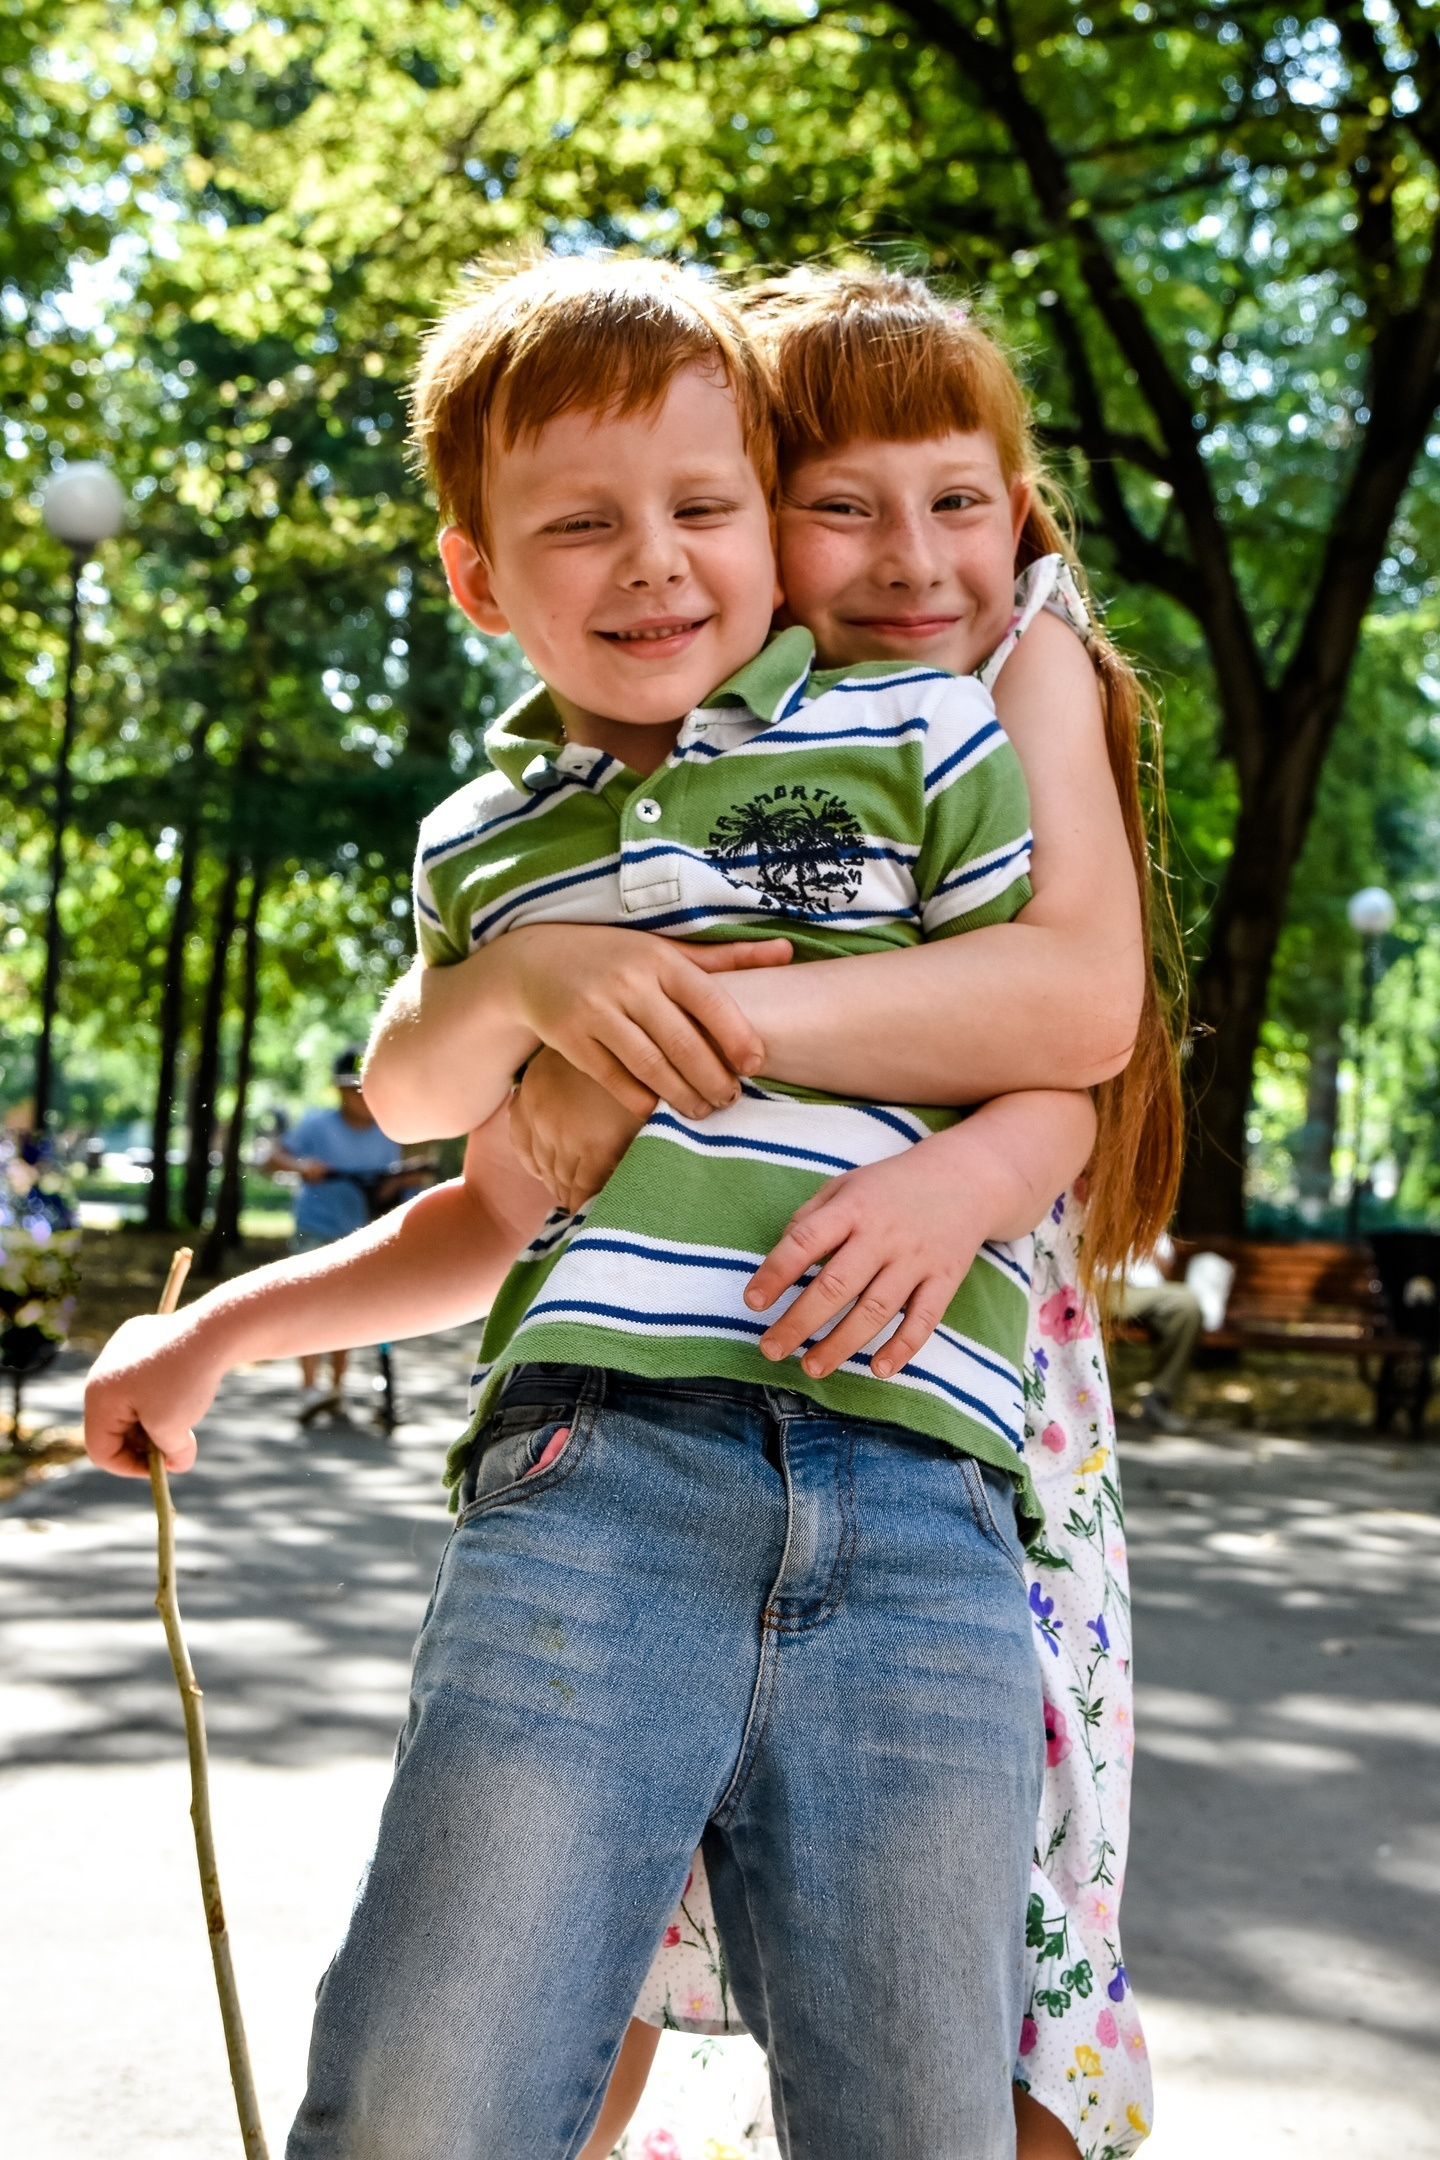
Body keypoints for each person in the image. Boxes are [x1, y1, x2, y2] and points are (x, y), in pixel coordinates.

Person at [83, 256, 1177, 2159]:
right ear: (480, 581)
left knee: (937, 2103)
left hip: (924, 1486)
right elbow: (455, 1153)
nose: (656, 563)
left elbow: (1066, 1050)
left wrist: (962, 1171)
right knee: (451, 2079)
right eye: (581, 525)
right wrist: (223, 1321)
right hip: (605, 1469)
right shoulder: (507, 844)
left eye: (699, 509)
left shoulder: (932, 735)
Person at [264, 1048, 407, 1420]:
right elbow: (271, 1158)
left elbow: (387, 1189)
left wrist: (401, 1183)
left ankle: (336, 1390)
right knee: (310, 1308)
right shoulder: (316, 1125)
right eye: (352, 1089)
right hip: (315, 1227)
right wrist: (301, 1166)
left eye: (365, 1089)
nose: (359, 1097)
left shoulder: (386, 1133)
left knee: (346, 1315)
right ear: (339, 1091)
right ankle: (309, 1390)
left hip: (357, 1233)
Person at [1117, 1233, 1204, 1432]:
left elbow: (1166, 1269)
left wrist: (1146, 1247)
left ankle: (1158, 1397)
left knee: (1187, 1304)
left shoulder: (1150, 1221)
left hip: (1145, 1291)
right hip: (1101, 1284)